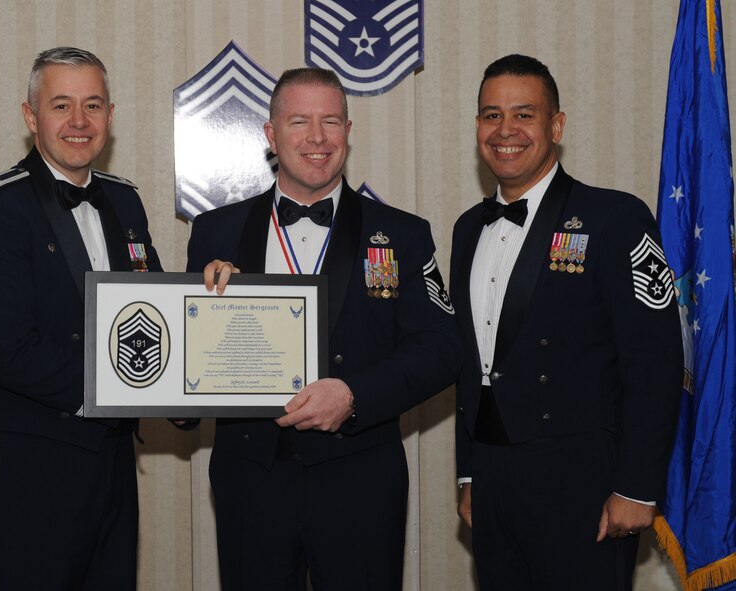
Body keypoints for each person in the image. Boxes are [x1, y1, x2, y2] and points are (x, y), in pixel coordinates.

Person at [188, 68, 459, 591]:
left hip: (361, 478)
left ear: (348, 130)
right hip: (251, 478)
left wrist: (354, 394)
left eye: (330, 121)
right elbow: (192, 357)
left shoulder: (403, 233)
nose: (317, 138)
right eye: (299, 122)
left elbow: (442, 348)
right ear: (270, 135)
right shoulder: (215, 231)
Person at [449, 54, 683, 590]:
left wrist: (638, 486)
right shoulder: (467, 229)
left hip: (583, 481)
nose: (505, 130)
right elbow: (472, 365)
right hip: (493, 480)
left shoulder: (615, 218)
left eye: (524, 114)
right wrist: (469, 473)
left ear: (556, 125)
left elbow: (656, 361)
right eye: (490, 115)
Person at [0, 47, 161, 590]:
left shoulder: (126, 202)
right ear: (31, 117)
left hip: (115, 470)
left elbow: (158, 320)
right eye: (61, 105)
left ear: (110, 117)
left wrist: (190, 389)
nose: (78, 122)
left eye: (92, 105)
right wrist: (142, 386)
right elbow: (14, 352)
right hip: (33, 473)